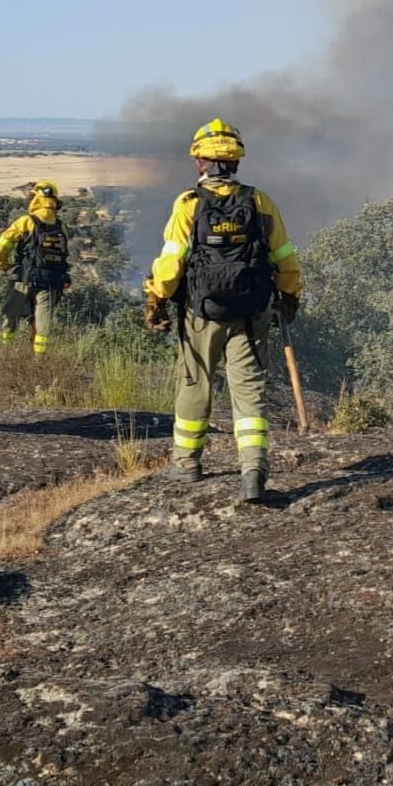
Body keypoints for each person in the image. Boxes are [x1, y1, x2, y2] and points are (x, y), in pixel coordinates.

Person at [144, 119, 302, 504]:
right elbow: (284, 255)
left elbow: (171, 262)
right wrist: (290, 294)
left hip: (200, 312)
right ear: (236, 162)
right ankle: (253, 469)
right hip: (252, 312)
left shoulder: (189, 204)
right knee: (248, 387)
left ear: (200, 161)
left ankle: (187, 464)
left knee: (196, 382)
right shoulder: (259, 201)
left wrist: (156, 299)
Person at [0, 180, 70, 355]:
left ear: (36, 198)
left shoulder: (26, 221)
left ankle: (4, 357)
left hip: (23, 279)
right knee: (43, 325)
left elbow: (0, 249)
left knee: (10, 318)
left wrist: (5, 266)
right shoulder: (61, 226)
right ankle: (39, 362)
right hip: (51, 283)